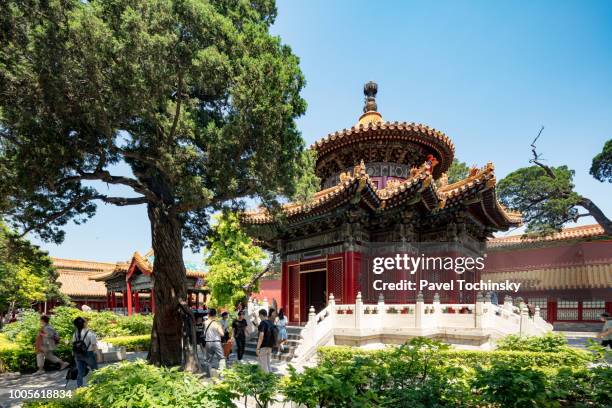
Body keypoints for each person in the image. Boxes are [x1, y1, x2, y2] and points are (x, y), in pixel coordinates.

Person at [72, 317, 98, 387]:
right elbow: (94, 345)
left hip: (78, 355)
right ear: (84, 324)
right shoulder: (90, 333)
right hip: (89, 354)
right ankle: (96, 385)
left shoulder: (75, 334)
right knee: (95, 370)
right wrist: (97, 354)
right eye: (85, 321)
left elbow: (73, 345)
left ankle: (79, 386)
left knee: (80, 372)